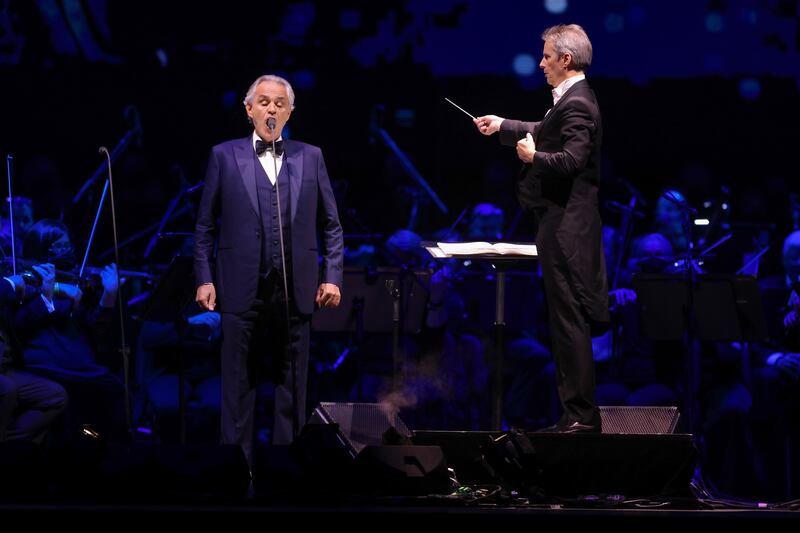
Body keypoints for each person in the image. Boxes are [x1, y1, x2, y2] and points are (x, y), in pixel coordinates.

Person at [194, 74, 343, 467]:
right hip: (240, 287)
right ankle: (234, 474)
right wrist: (204, 278)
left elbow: (331, 224)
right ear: (249, 110)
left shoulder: (311, 156)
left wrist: (332, 275)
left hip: (295, 291)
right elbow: (205, 226)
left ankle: (286, 471)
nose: (271, 109)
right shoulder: (223, 156)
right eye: (263, 102)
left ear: (290, 111)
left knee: (291, 388)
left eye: (279, 103)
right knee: (237, 388)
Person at [474, 24, 608, 433]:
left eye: (547, 56)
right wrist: (503, 126)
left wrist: (534, 159)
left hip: (566, 229)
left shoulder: (579, 102)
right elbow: (545, 131)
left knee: (570, 322)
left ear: (565, 59)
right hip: (557, 224)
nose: (541, 63)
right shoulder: (570, 100)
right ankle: (573, 415)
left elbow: (570, 159)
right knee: (562, 321)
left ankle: (581, 418)